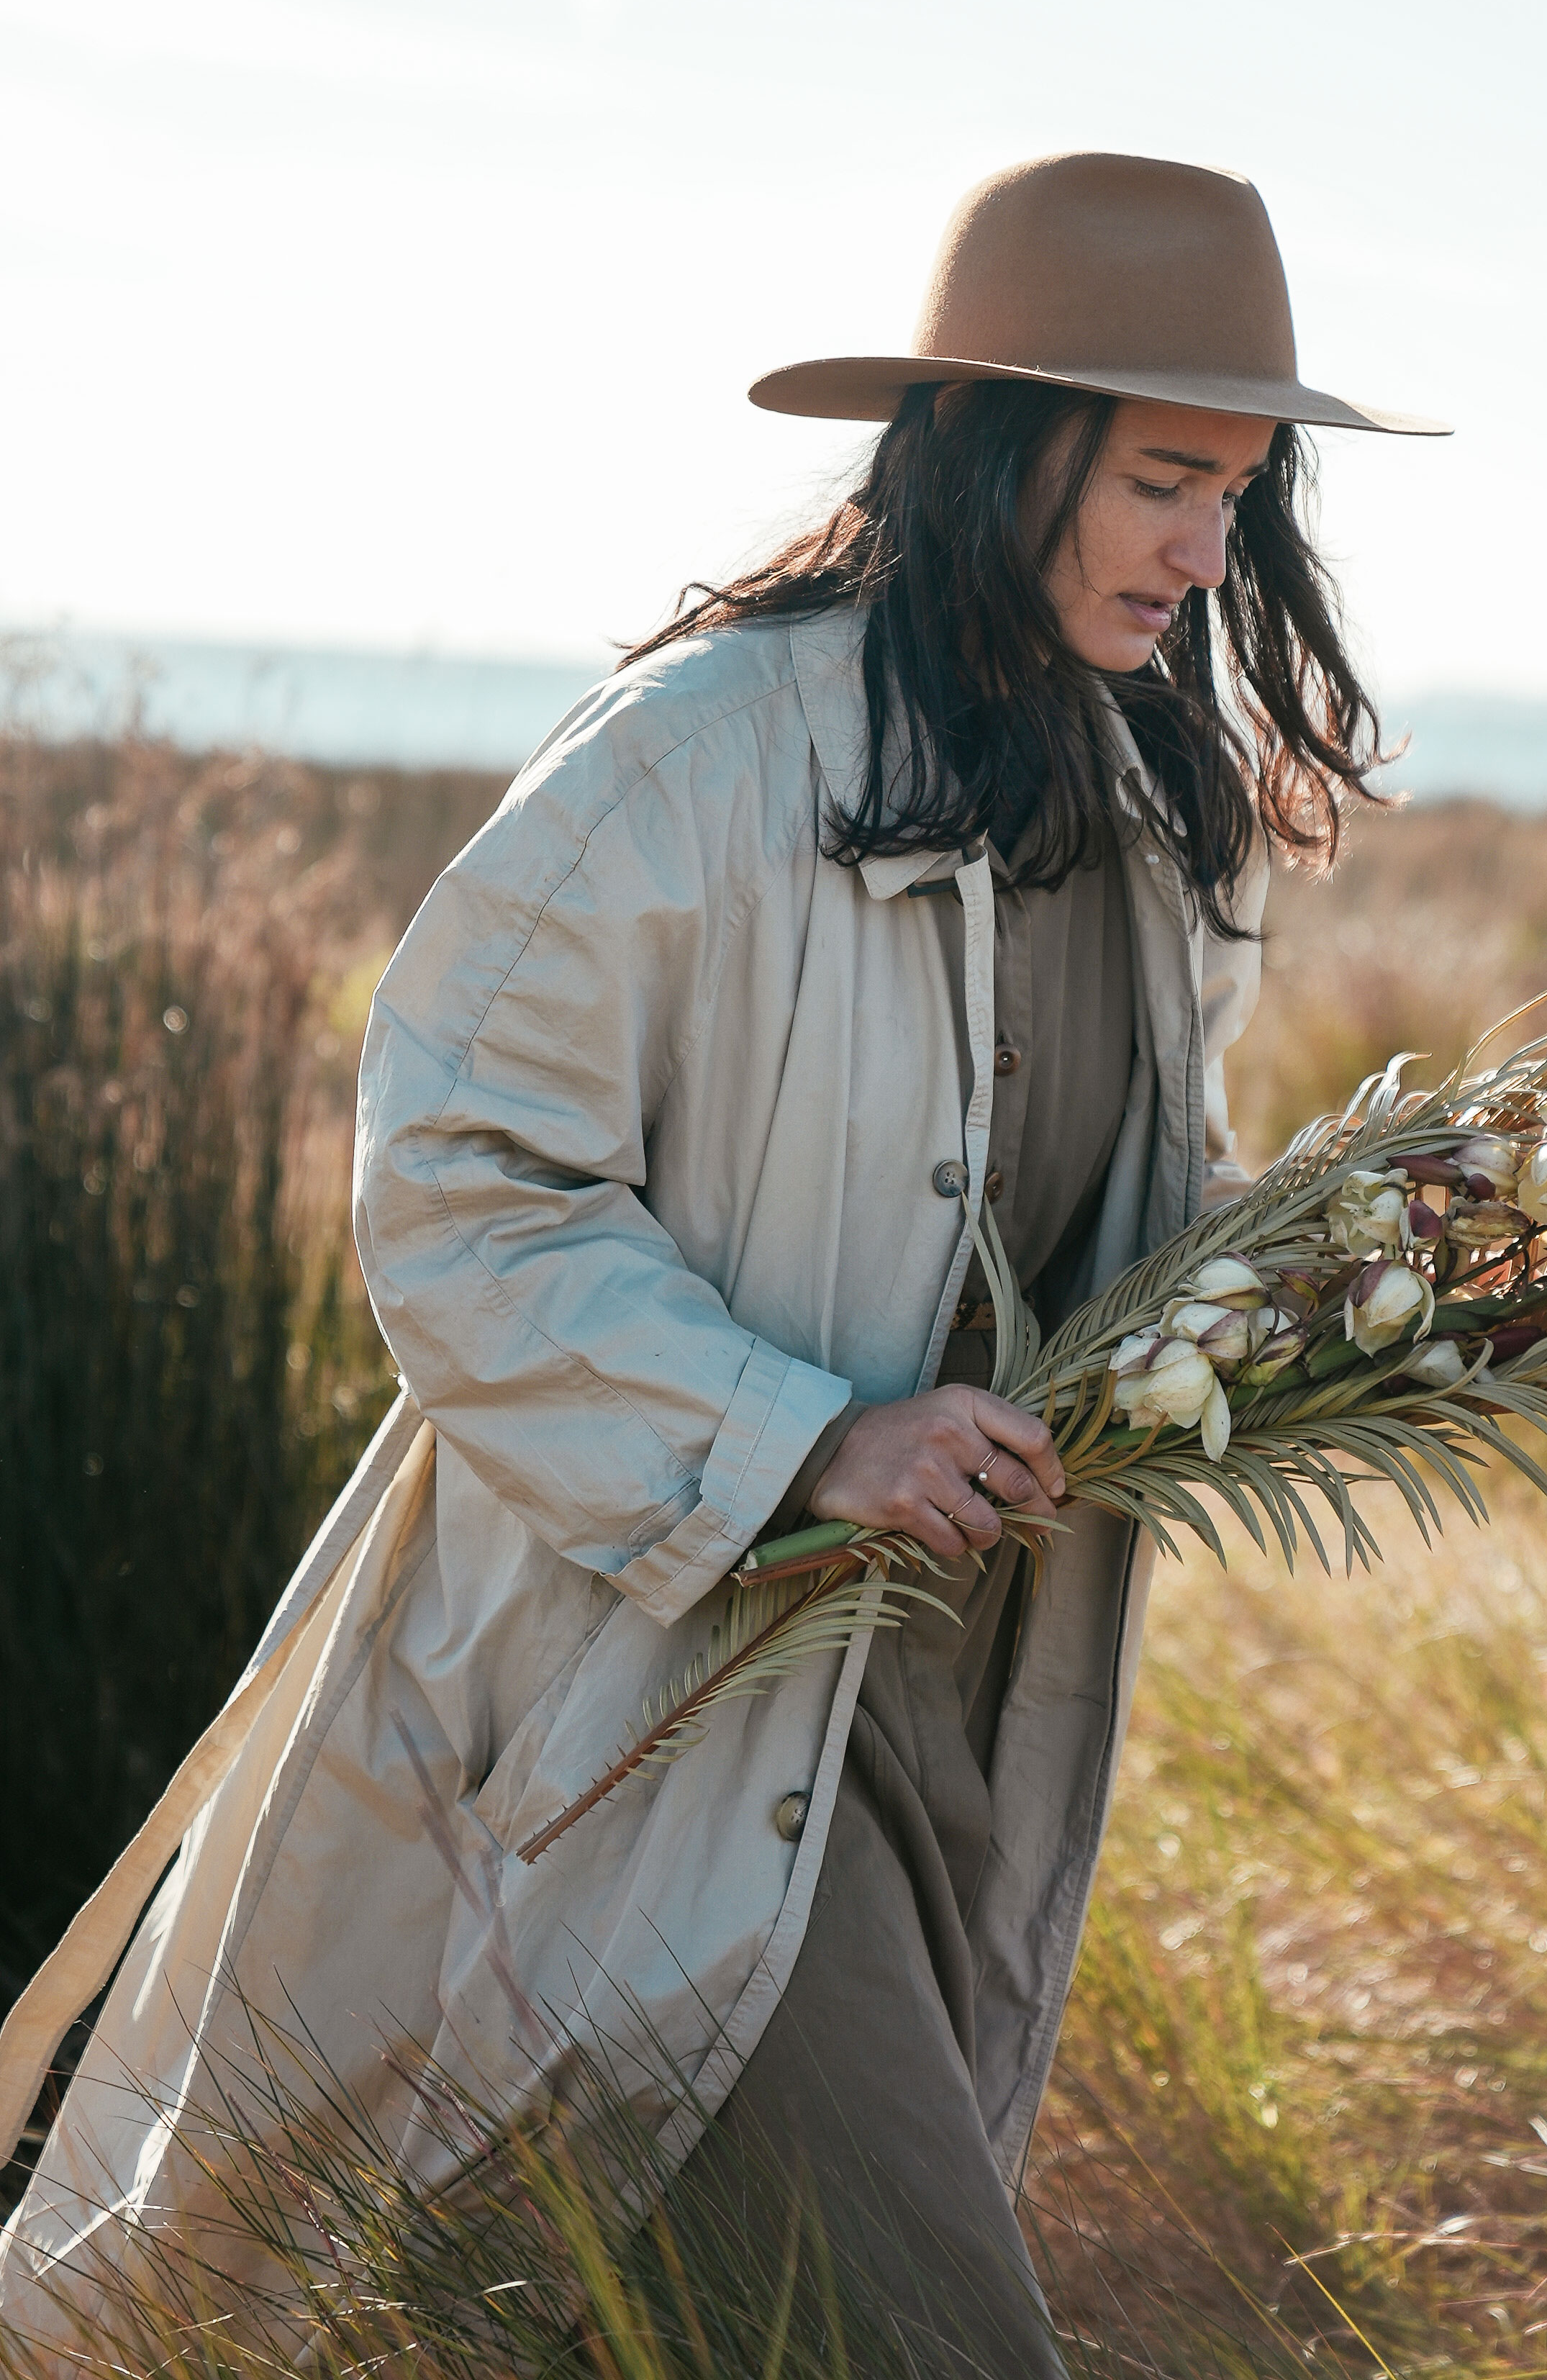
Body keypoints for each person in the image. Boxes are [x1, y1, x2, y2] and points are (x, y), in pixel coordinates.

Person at [0, 150, 1446, 2371]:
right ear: (1007, 444)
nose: (1203, 550)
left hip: (954, 1687)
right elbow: (457, 1185)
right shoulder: (693, 758)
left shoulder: (1167, 822)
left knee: (590, 2318)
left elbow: (1116, 1213)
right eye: (1168, 480)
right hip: (656, 1687)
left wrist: (1406, 1276)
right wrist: (806, 1441)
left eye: (1240, 499)